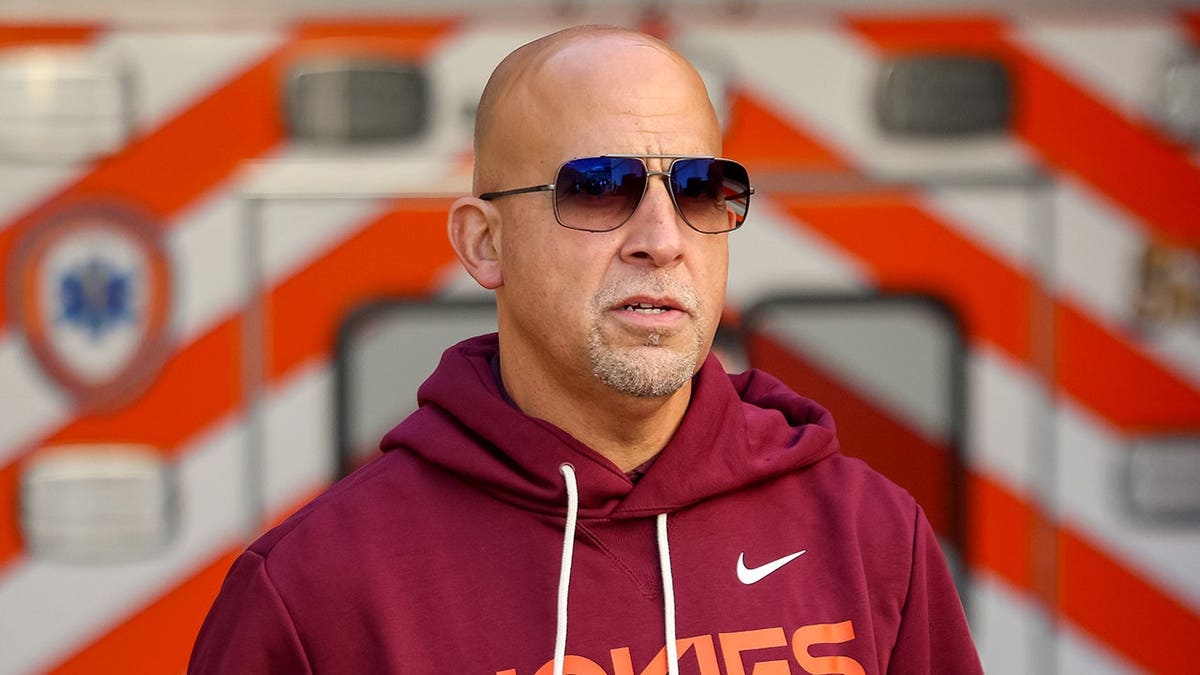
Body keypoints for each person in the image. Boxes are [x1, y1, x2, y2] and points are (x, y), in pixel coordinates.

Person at [189, 25, 983, 675]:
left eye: (701, 187)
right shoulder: (315, 593)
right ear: (483, 242)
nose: (663, 239)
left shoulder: (873, 537)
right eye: (599, 186)